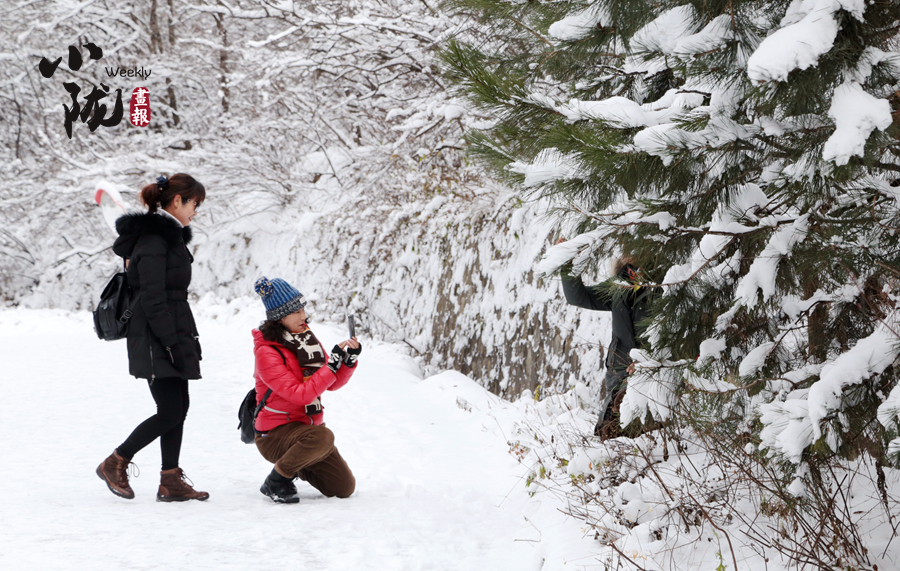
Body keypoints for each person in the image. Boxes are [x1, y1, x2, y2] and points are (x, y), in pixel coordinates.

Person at [96, 174, 209, 502]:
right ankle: (115, 461)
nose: (196, 211)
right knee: (170, 409)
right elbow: (153, 298)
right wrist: (171, 343)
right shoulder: (154, 241)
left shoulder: (168, 239)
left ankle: (170, 480)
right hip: (154, 333)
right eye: (194, 204)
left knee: (179, 405)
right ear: (177, 201)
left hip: (171, 329)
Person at [252, 277, 360, 503]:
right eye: (296, 311)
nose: (304, 316)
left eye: (303, 309)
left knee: (344, 487)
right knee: (323, 437)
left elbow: (331, 383)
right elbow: (299, 394)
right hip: (275, 435)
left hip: (307, 431)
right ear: (280, 317)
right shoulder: (267, 353)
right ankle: (276, 480)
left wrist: (347, 362)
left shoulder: (306, 341)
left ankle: (297, 463)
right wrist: (330, 367)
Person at [561, 251, 650, 440]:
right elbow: (578, 297)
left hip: (652, 373)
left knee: (649, 436)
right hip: (619, 371)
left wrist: (647, 361)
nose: (629, 253)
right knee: (608, 435)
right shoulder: (620, 284)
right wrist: (566, 262)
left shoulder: (667, 281)